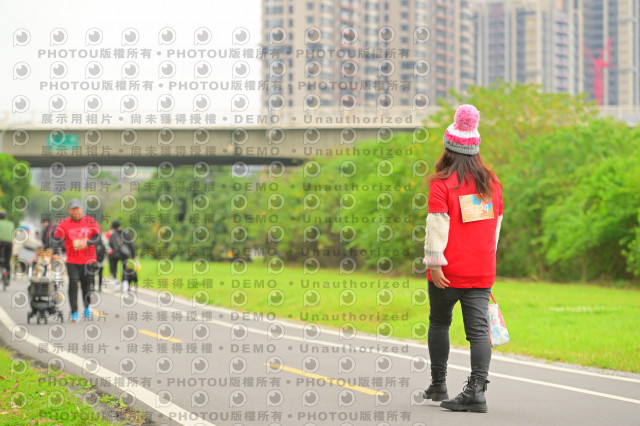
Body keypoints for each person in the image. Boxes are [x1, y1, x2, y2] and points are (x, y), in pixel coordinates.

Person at [422, 104, 503, 413]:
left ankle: (438, 383)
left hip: (447, 270)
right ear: (475, 150)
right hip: (481, 270)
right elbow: (495, 227)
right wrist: (486, 259)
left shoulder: (442, 183)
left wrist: (434, 263)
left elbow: (437, 225)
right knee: (479, 332)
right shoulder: (491, 183)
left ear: (448, 148)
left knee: (440, 322)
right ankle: (477, 391)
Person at [52, 199, 101, 322]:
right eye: (73, 209)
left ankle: (87, 307)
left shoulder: (90, 221)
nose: (75, 211)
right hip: (72, 260)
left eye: (77, 208)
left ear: (81, 209)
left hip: (88, 259)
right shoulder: (64, 223)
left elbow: (97, 236)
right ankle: (74, 312)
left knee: (87, 286)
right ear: (69, 210)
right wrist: (55, 252)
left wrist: (87, 243)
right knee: (73, 284)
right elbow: (56, 239)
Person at [108, 220, 135, 292]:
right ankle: (125, 286)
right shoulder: (126, 233)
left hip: (115, 254)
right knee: (125, 269)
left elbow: (110, 244)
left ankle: (117, 284)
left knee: (114, 269)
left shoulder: (113, 234)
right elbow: (131, 244)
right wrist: (133, 255)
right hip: (125, 254)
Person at [0, 209, 15, 284]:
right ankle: (8, 278)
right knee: (7, 260)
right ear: (5, 217)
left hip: (0, 243)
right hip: (9, 244)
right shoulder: (11, 224)